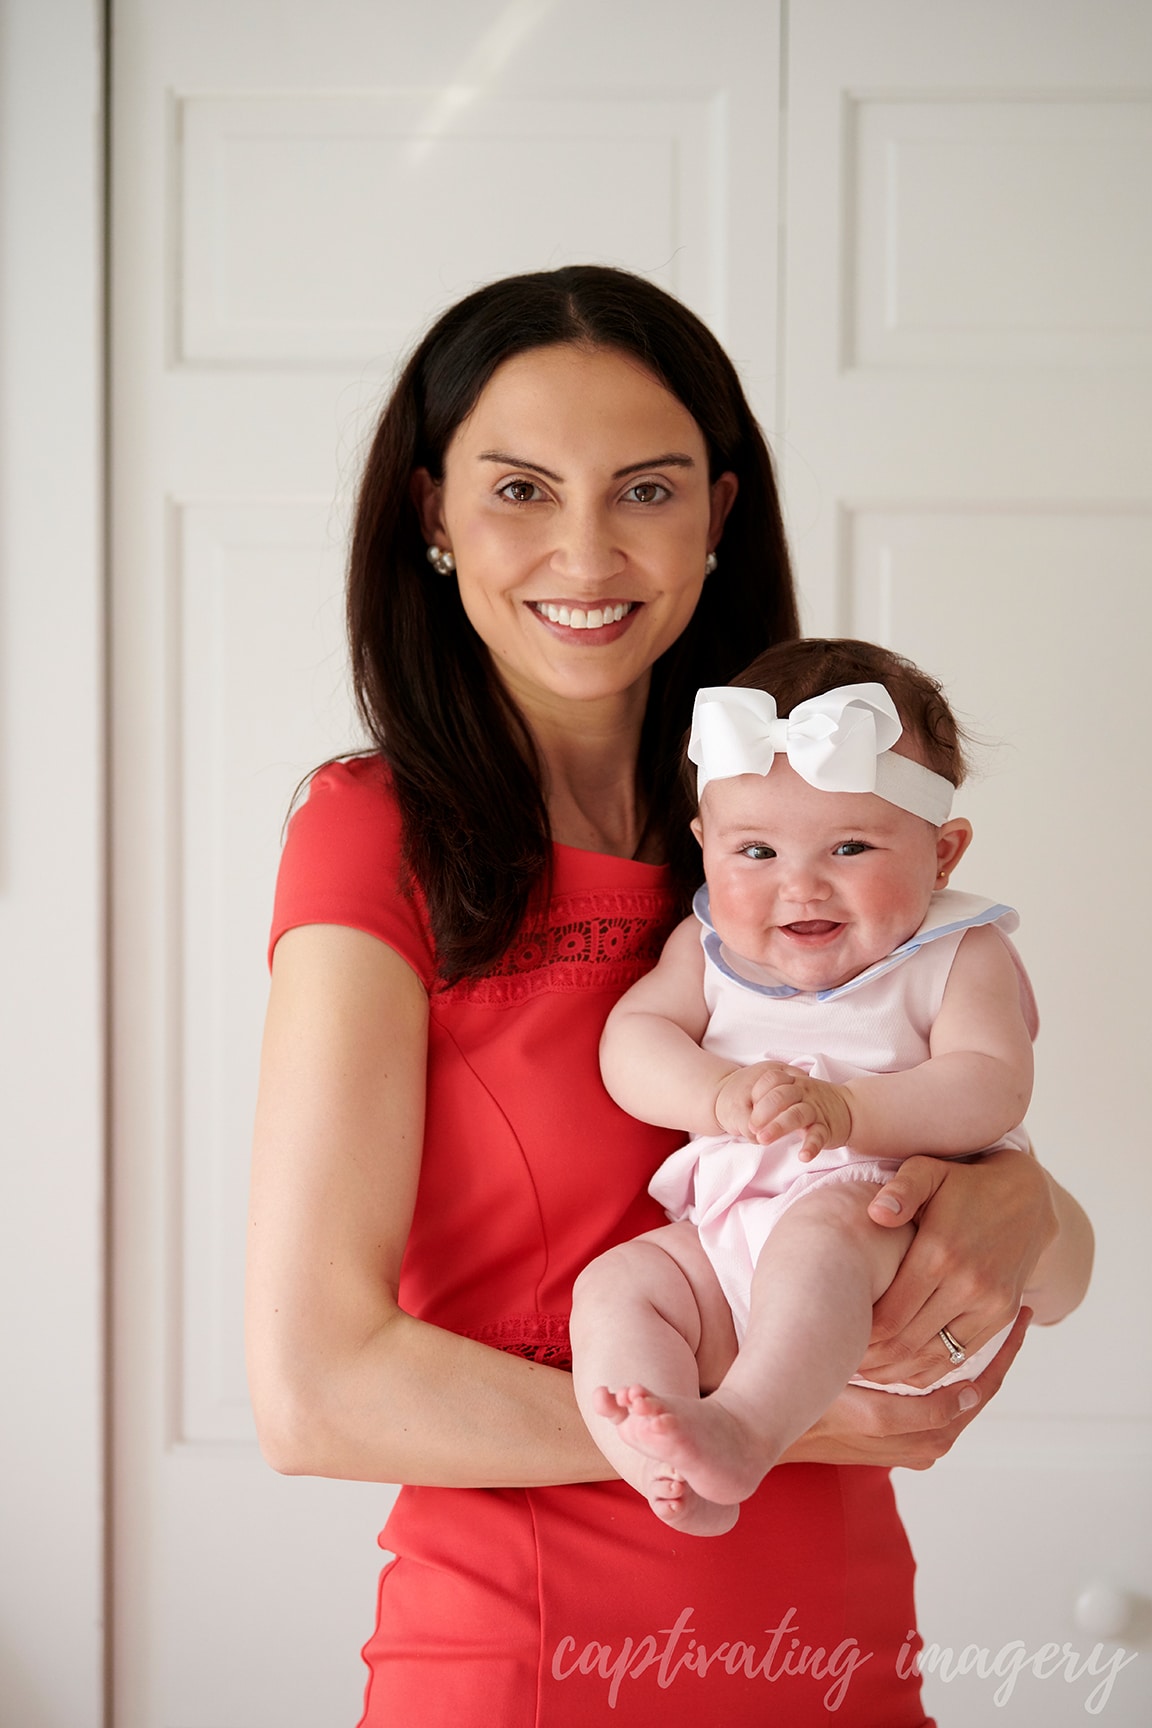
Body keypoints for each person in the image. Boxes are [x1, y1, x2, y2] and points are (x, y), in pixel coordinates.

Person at [246, 266, 1093, 1727]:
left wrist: (1028, 1211)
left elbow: (1053, 1274)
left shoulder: (817, 854)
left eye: (643, 489)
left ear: (721, 509)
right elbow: (317, 1391)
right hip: (525, 1666)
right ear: (432, 513)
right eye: (521, 489)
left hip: (840, 1655)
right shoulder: (372, 834)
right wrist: (787, 1422)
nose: (586, 549)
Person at [574, 638, 1049, 1539]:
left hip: (889, 1238)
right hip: (726, 1243)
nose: (801, 884)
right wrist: (717, 1096)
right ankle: (668, 1469)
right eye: (755, 849)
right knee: (622, 1284)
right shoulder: (708, 948)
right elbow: (631, 1044)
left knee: (822, 1234)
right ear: (704, 845)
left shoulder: (958, 952)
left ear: (943, 855)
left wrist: (853, 1112)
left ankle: (744, 1429)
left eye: (850, 845)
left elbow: (991, 1086)